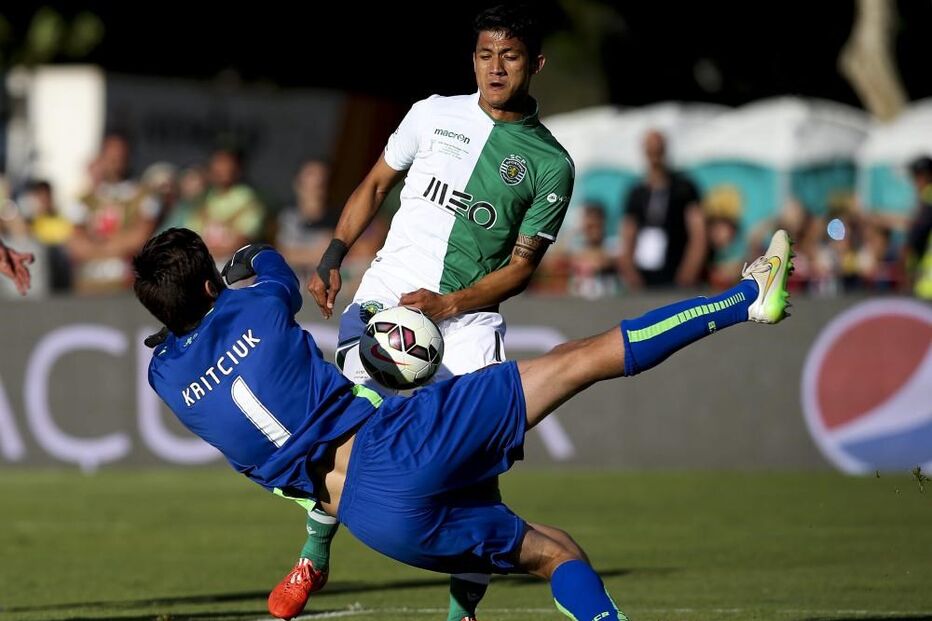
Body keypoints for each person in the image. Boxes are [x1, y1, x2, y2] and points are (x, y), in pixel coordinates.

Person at [134, 226, 792, 621]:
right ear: (213, 287)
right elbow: (268, 263)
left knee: (551, 551)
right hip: (396, 442)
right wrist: (240, 264)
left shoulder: (164, 378)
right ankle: (748, 299)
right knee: (576, 361)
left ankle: (321, 558)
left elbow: (180, 340)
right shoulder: (255, 309)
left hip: (374, 519)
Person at [298, 5, 575, 620]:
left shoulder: (550, 164)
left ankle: (462, 613)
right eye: (484, 54)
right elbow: (374, 185)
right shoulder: (431, 113)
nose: (494, 68)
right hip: (388, 303)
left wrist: (448, 303)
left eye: (509, 56)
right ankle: (314, 554)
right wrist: (333, 254)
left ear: (535, 63)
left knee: (474, 479)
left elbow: (523, 267)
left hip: (467, 326)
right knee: (349, 437)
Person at [618, 130, 706, 289]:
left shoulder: (684, 188)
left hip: (676, 271)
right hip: (643, 274)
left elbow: (698, 234)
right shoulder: (636, 192)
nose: (655, 156)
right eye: (650, 151)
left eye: (658, 150)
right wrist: (630, 271)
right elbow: (627, 235)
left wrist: (689, 271)